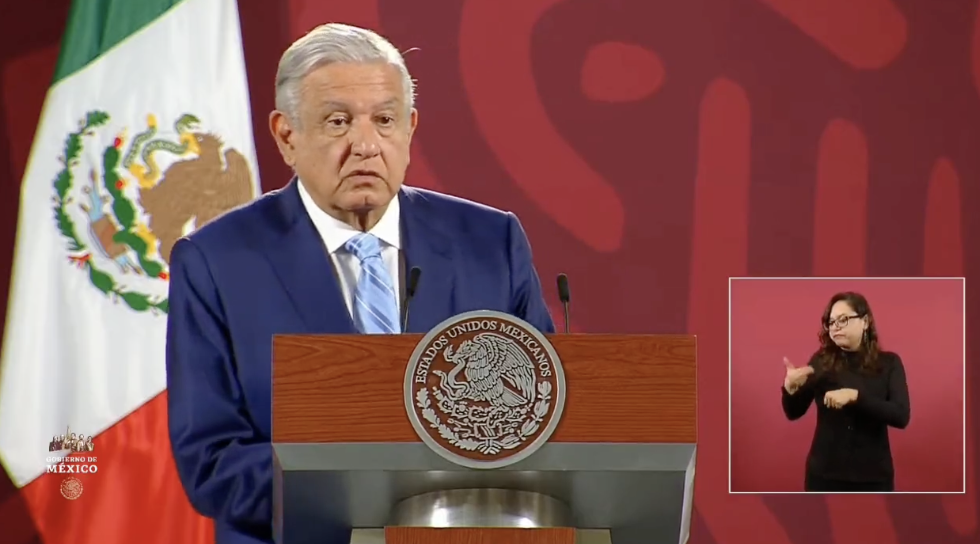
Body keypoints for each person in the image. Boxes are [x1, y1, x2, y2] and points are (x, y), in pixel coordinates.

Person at [164, 23, 555, 544]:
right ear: (287, 136)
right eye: (338, 122)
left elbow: (549, 420)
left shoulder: (490, 243)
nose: (366, 145)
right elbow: (211, 461)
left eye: (385, 120)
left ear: (410, 128)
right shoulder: (217, 261)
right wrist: (376, 493)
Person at [781, 291, 910, 492]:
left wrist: (854, 397)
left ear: (865, 322)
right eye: (831, 322)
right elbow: (793, 412)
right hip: (823, 476)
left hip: (873, 477)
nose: (835, 327)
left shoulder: (889, 363)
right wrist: (790, 388)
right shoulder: (822, 360)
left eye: (843, 320)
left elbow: (901, 416)